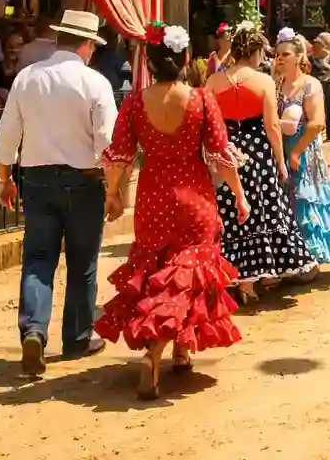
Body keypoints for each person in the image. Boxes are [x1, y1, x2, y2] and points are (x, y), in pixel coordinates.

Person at [96, 22, 244, 400]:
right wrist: (240, 197)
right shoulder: (200, 99)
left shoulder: (134, 102)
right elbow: (221, 156)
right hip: (194, 196)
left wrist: (113, 194)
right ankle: (156, 352)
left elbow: (121, 155)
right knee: (188, 275)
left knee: (160, 271)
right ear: (184, 58)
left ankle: (180, 349)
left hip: (153, 196)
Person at [0, 9, 118, 375]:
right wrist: (113, 190)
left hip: (36, 178)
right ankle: (77, 337)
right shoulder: (95, 83)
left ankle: (33, 329)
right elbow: (108, 144)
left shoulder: (27, 78)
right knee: (82, 263)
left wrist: (4, 179)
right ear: (86, 46)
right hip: (85, 180)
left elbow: (6, 138)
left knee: (38, 260)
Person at [205, 25, 318, 304]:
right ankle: (251, 282)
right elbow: (272, 127)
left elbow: (206, 124)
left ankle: (232, 277)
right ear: (255, 51)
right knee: (260, 213)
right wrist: (280, 162)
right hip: (257, 154)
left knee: (229, 211)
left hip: (225, 150)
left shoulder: (213, 83)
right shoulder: (263, 81)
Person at [277, 29, 330, 265]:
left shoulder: (311, 84)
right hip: (280, 151)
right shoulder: (276, 84)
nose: (280, 59)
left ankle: (311, 255)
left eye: (285, 54)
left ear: (298, 57)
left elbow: (317, 123)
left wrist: (296, 151)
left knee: (308, 202)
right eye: (278, 55)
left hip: (304, 151)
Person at [310, 32, 330, 142]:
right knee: (322, 109)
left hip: (329, 85)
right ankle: (322, 134)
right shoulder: (311, 57)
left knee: (329, 109)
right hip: (320, 85)